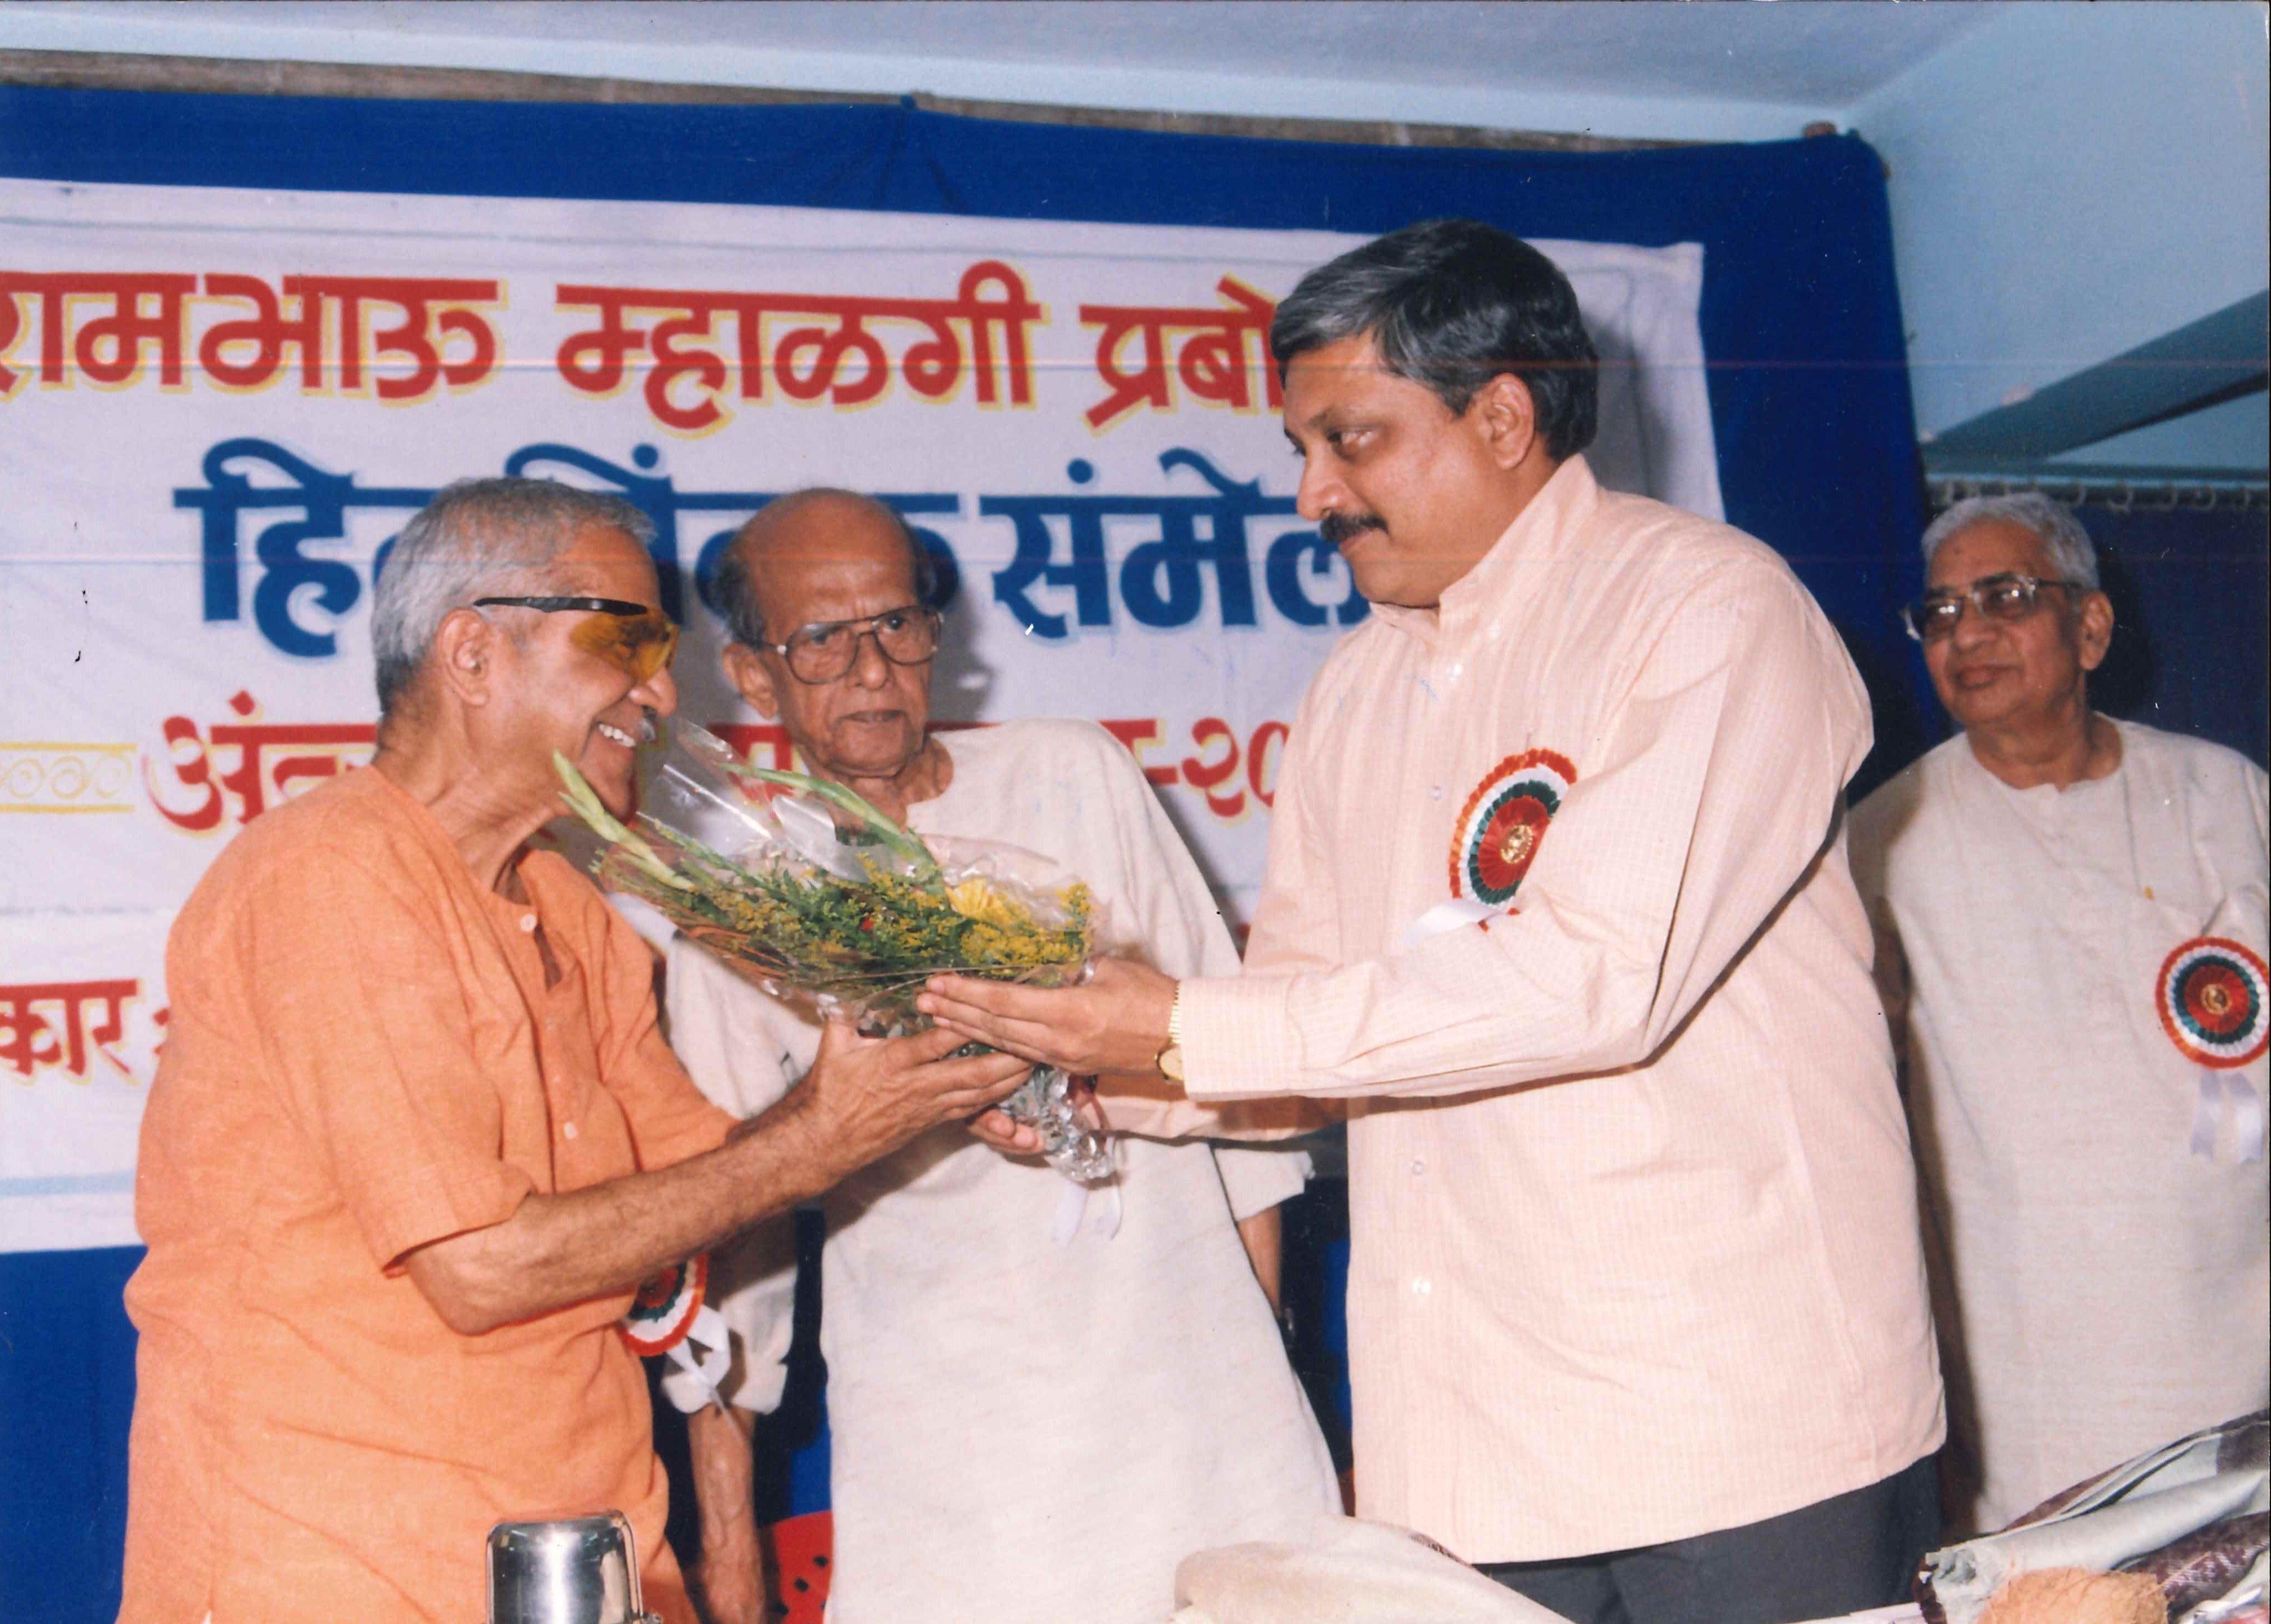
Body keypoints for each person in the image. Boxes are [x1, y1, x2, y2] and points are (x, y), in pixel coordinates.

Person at [921, 219, 1946, 1624]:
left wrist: (1175, 1024)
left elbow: (1592, 978)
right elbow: (1305, 1026)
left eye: (1350, 441)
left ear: (1504, 417)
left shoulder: (1707, 609)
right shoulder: (1356, 690)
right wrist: (1103, 1076)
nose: (1310, 493)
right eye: (1303, 448)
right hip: (1467, 1458)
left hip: (1733, 1431)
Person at [116, 479, 1030, 1624]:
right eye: (627, 644)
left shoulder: (566, 901)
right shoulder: (329, 877)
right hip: (336, 1563)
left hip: (577, 1550)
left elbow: (708, 1179)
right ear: (472, 653)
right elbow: (481, 1266)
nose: (660, 694)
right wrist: (818, 1136)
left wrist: (929, 1076)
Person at [663, 489, 1340, 1624]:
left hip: (1202, 1416)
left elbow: (1240, 1101)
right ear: (752, 676)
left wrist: (1255, 1372)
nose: (871, 670)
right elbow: (737, 1252)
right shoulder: (739, 917)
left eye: (897, 624)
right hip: (954, 1458)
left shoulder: (1074, 774)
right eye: (821, 640)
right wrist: (729, 1555)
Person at [1848, 492, 2268, 1536]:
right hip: (2033, 1358)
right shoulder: (1882, 844)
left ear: (2091, 627)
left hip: (2242, 1315)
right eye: (1941, 613)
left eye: (2006, 598)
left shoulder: (2226, 797)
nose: (1967, 635)